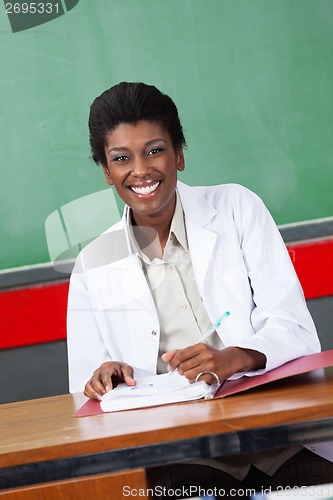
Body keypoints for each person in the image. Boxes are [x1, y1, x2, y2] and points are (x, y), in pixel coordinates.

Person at [67, 82, 333, 498]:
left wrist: (232, 359)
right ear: (106, 171)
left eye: (155, 150)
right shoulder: (91, 266)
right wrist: (102, 379)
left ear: (179, 154)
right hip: (181, 455)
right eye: (121, 158)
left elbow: (295, 328)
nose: (140, 170)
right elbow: (83, 396)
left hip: (278, 437)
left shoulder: (237, 209)